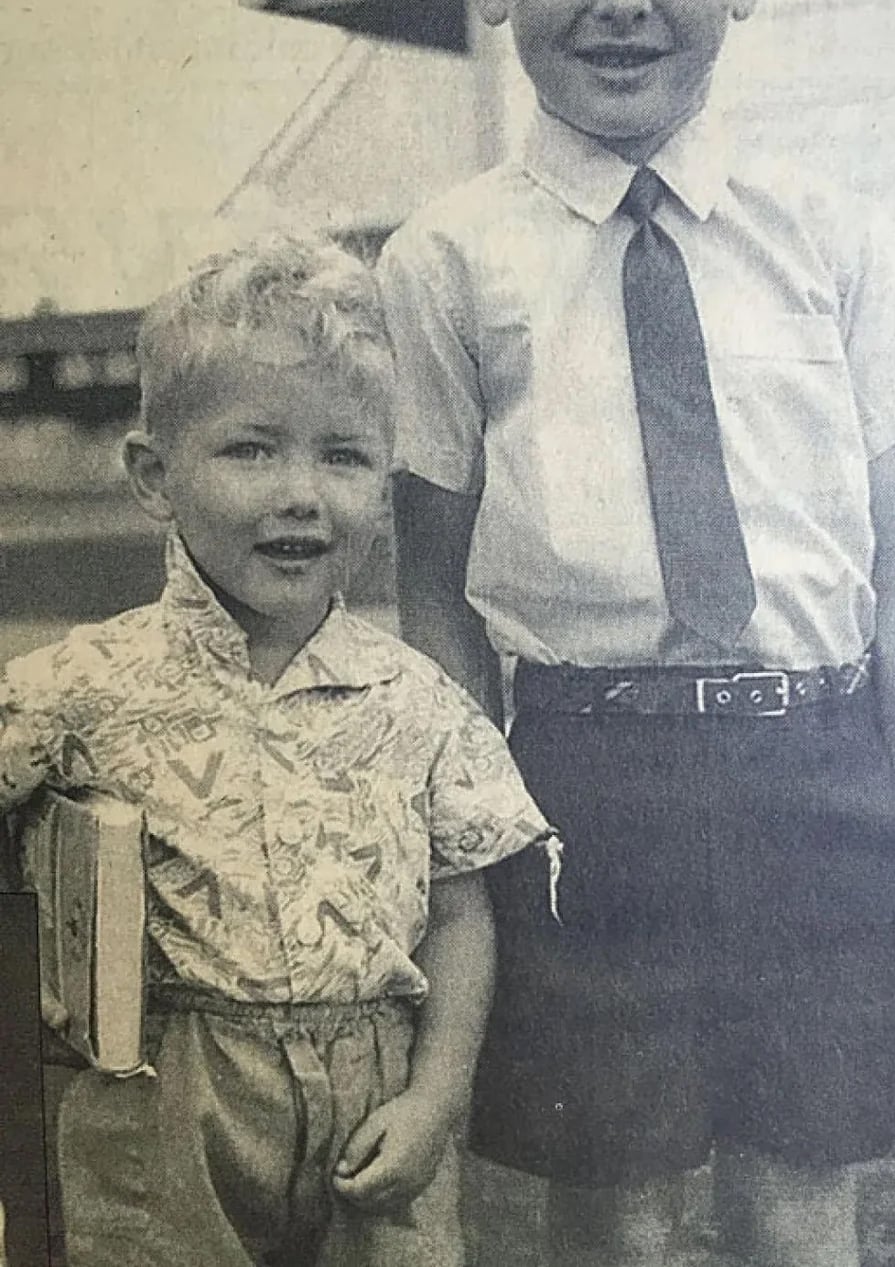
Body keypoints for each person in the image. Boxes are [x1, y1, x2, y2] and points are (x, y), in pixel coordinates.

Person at [379, 0, 895, 1263]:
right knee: (618, 1207)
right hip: (586, 784)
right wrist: (468, 845)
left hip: (821, 770)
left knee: (799, 1192)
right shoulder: (447, 263)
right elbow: (433, 601)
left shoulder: (828, 236)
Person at [0, 235, 554, 1267]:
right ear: (154, 477)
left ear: (383, 487)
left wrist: (435, 1095)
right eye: (252, 448)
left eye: (343, 455)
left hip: (372, 1100)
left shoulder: (418, 702)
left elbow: (463, 910)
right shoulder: (78, 687)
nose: (302, 492)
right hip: (162, 1100)